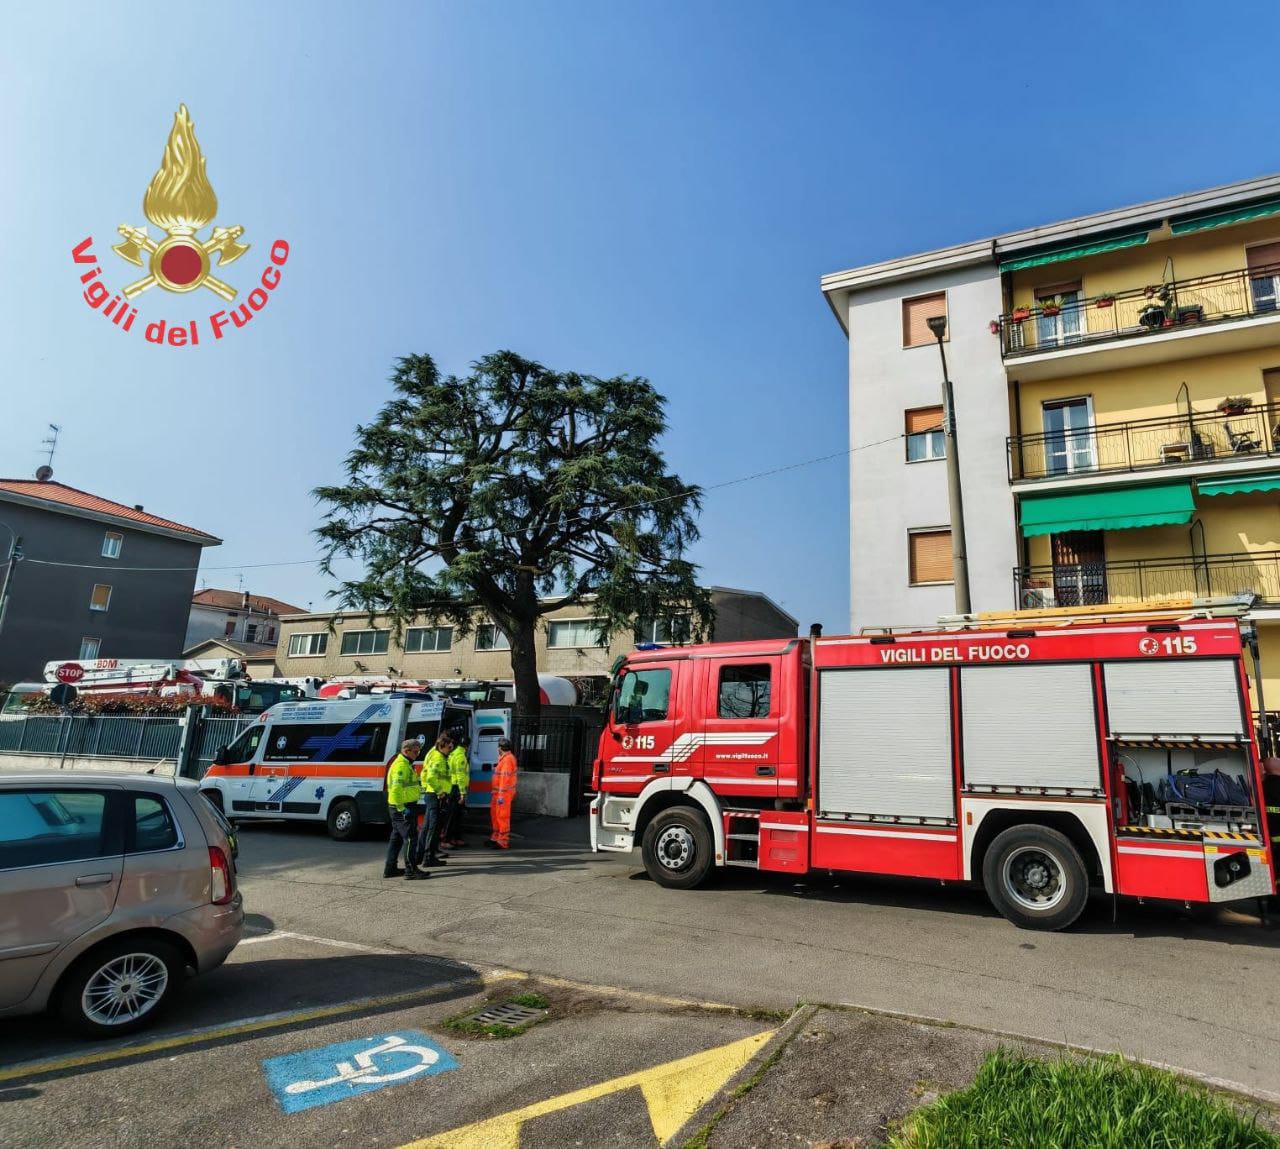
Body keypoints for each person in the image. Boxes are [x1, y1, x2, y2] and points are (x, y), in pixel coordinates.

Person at [384, 739, 428, 880]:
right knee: (410, 838)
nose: (418, 754)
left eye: (419, 751)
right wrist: (402, 808)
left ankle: (390, 868)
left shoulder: (406, 764)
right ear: (406, 750)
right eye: (416, 751)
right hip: (402, 807)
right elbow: (396, 790)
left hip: (402, 806)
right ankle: (411, 870)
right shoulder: (401, 766)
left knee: (396, 838)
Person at [414, 732, 454, 868]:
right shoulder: (438, 758)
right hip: (436, 796)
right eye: (449, 747)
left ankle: (420, 855)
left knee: (427, 827)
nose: (451, 749)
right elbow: (431, 777)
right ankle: (428, 858)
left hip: (433, 795)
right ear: (442, 746)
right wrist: (441, 792)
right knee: (433, 828)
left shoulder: (438, 756)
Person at [488, 737, 517, 849]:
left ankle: (503, 841)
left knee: (502, 817)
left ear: (500, 748)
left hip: (503, 794)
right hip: (499, 793)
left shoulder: (508, 759)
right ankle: (496, 837)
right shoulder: (504, 758)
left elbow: (505, 780)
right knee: (495, 816)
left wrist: (500, 795)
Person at [443, 732, 470, 848]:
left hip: (452, 787)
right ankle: (447, 839)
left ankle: (455, 838)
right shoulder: (460, 756)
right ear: (467, 746)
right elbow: (460, 775)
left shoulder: (453, 754)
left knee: (456, 815)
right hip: (456, 788)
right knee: (453, 815)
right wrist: (463, 792)